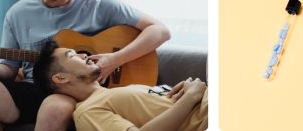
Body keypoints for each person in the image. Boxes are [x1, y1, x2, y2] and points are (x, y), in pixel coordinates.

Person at [0, 0, 170, 131]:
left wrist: (115, 60)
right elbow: (9, 70)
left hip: (75, 90)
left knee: (55, 108)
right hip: (33, 88)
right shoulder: (18, 13)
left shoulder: (100, 3)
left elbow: (160, 31)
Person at [33, 40, 207, 131]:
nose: (83, 55)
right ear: (60, 78)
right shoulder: (88, 112)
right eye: (72, 55)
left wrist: (188, 89)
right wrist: (191, 97)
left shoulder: (118, 91)